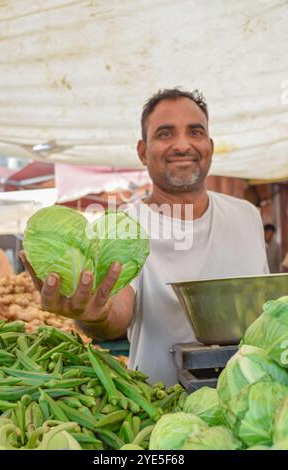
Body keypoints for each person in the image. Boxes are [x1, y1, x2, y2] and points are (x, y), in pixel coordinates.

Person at [21, 88, 269, 387]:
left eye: (195, 131)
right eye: (165, 134)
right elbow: (116, 310)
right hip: (160, 412)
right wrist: (93, 314)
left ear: (210, 146)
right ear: (142, 151)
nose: (182, 144)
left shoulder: (247, 216)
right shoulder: (122, 228)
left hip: (253, 404)